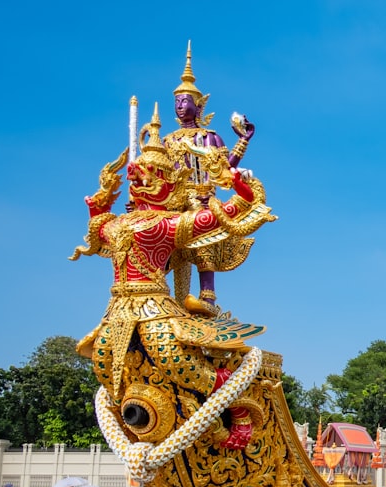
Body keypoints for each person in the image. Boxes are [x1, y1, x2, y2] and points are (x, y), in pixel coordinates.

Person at [70, 102, 273, 452]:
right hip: (117, 309)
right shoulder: (118, 224)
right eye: (138, 175)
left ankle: (239, 408)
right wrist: (99, 204)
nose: (139, 179)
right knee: (103, 363)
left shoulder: (167, 225)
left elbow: (226, 213)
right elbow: (94, 235)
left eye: (150, 174)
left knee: (175, 361)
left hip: (154, 308)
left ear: (168, 183)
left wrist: (239, 186)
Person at [164, 43, 258, 318]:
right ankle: (159, 293)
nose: (181, 106)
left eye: (185, 101)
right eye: (177, 102)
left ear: (199, 105)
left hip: (201, 198)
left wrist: (243, 141)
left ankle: (207, 295)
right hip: (170, 201)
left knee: (203, 229)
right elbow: (154, 176)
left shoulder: (208, 137)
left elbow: (224, 170)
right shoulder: (166, 141)